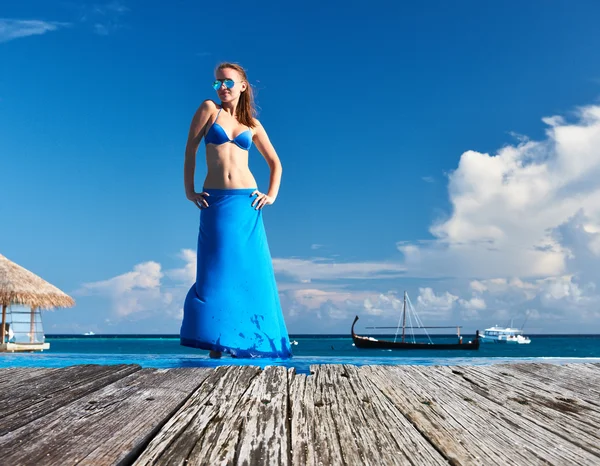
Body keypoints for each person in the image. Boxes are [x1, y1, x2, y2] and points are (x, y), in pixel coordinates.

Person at [180, 62, 292, 359]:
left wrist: (271, 195)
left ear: (243, 85)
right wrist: (188, 190)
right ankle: (216, 342)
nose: (222, 88)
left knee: (249, 273)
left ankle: (247, 344)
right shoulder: (208, 110)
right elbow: (190, 150)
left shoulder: (252, 125)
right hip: (215, 201)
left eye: (228, 82)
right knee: (215, 273)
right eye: (218, 83)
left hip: (246, 203)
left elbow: (276, 164)